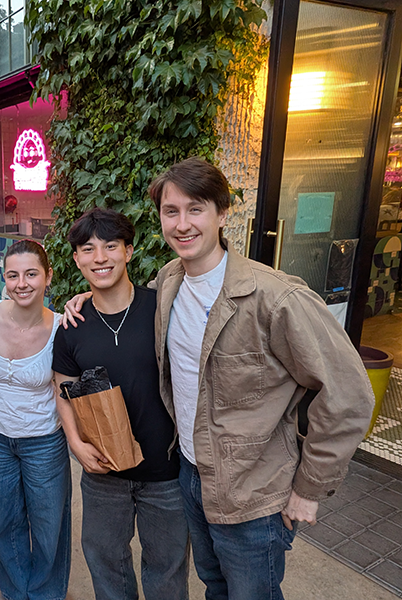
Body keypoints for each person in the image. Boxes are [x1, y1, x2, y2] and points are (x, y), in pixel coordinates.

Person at [148, 157, 374, 599]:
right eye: (170, 211)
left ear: (222, 213)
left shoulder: (276, 297)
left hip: (255, 494)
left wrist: (309, 489)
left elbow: (348, 394)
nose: (182, 224)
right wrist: (88, 296)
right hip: (191, 476)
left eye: (195, 209)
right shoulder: (168, 282)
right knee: (215, 587)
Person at [52, 208, 189, 600]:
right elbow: (64, 389)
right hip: (102, 473)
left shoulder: (163, 309)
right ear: (76, 258)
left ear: (129, 251)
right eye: (88, 249)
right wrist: (77, 445)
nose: (100, 258)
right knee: (105, 562)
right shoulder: (72, 327)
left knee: (167, 568)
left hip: (166, 470)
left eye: (111, 246)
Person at [0, 240, 71, 600]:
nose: (21, 283)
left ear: (48, 276)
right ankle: (16, 591)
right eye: (12, 275)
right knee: (3, 523)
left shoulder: (63, 326)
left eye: (31, 274)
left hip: (43, 440)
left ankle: (45, 593)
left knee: (48, 527)